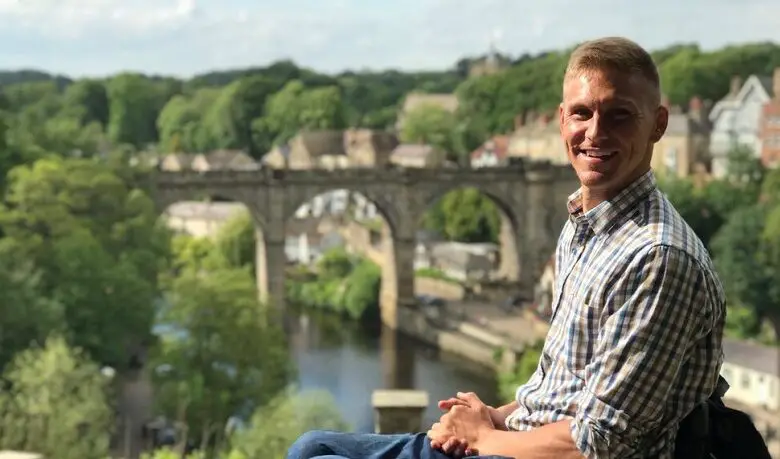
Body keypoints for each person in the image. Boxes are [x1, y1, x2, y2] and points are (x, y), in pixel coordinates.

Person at [286, 36, 726, 459]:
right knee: (310, 448)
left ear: (659, 125)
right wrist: (491, 417)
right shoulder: (584, 224)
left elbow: (599, 445)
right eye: (581, 113)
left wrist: (482, 438)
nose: (595, 132)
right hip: (517, 441)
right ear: (561, 120)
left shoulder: (658, 258)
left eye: (619, 116)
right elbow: (562, 388)